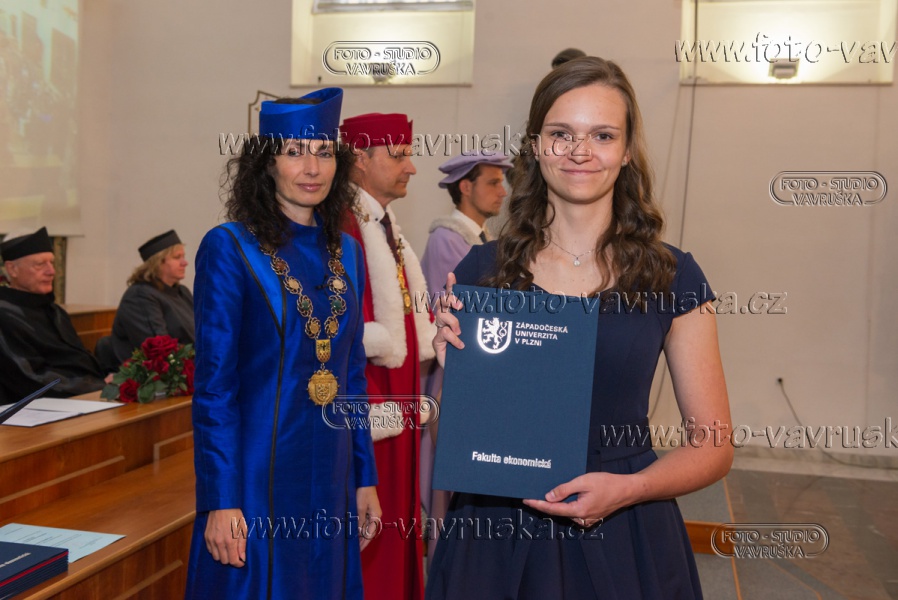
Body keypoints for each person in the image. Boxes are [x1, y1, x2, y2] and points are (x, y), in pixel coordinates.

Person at [427, 57, 733, 599]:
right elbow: (453, 439)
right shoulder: (483, 271)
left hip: (625, 525)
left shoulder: (672, 276)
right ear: (535, 145)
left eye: (603, 135)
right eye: (561, 134)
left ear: (627, 150)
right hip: (499, 529)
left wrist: (630, 489)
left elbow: (713, 446)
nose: (580, 151)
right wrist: (457, 373)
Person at [184, 88, 380, 600]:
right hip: (255, 476)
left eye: (323, 152)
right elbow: (214, 388)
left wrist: (365, 477)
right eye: (294, 152)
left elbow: (352, 375)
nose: (311, 167)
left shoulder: (349, 253)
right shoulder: (229, 247)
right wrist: (221, 499)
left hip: (332, 471)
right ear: (266, 164)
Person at [340, 112, 436, 600]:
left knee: (399, 523)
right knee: (372, 536)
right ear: (360, 158)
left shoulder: (382, 223)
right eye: (398, 156)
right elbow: (343, 336)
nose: (411, 167)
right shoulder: (344, 225)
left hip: (399, 404)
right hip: (371, 407)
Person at [418, 150, 511, 561]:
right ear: (466, 187)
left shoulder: (482, 238)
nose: (502, 192)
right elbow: (466, 311)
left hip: (482, 370)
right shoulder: (448, 238)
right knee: (453, 480)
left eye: (502, 182)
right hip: (455, 370)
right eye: (493, 182)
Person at [0, 227, 105, 403]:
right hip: (39, 408)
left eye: (52, 262)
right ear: (12, 269)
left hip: (84, 395)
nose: (51, 271)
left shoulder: (55, 311)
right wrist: (100, 387)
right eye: (40, 264)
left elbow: (80, 359)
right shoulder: (4, 315)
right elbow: (32, 378)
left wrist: (109, 380)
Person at [96, 230, 193, 370]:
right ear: (158, 262)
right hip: (158, 373)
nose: (185, 262)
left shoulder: (182, 292)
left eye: (183, 256)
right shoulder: (140, 296)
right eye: (177, 257)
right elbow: (159, 347)